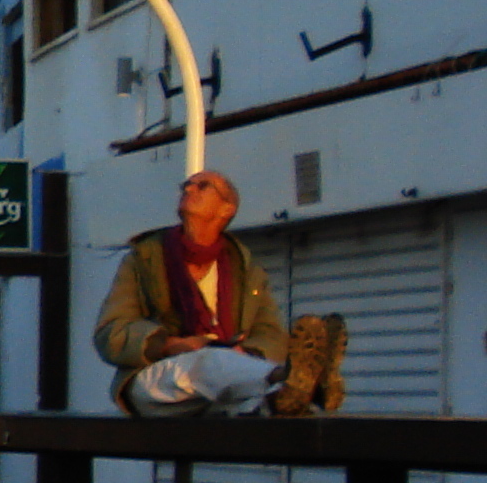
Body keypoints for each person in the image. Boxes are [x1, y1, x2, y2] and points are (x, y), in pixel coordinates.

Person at [94, 169, 342, 416]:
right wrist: (169, 345)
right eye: (186, 186)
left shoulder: (246, 269)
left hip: (226, 387)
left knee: (259, 403)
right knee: (210, 361)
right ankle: (292, 380)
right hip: (157, 381)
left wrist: (245, 353)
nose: (188, 190)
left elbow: (272, 336)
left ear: (226, 209)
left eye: (202, 186)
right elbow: (110, 332)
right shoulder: (144, 258)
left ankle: (294, 393)